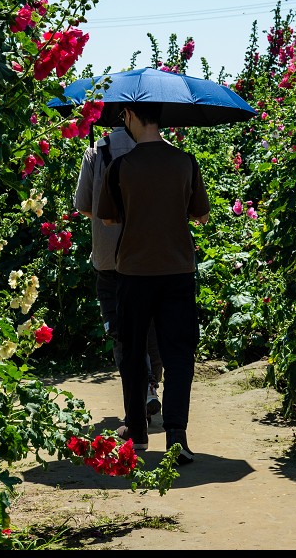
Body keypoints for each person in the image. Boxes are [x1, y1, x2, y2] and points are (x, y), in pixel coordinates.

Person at [97, 102, 210, 465]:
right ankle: (177, 436)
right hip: (178, 271)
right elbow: (201, 214)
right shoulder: (186, 162)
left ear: (129, 116)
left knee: (132, 352)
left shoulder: (120, 167)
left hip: (132, 272)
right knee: (178, 355)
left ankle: (138, 433)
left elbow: (109, 220)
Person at [74, 125, 164, 426]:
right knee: (151, 326)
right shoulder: (159, 148)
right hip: (151, 255)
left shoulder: (96, 152)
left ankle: (136, 399)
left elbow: (84, 206)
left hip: (109, 256)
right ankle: (151, 387)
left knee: (120, 331)